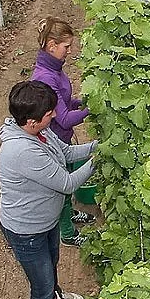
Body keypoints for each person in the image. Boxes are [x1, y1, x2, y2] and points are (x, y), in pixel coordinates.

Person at [0, 80, 97, 299]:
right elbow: (67, 183)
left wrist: (96, 146)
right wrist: (99, 159)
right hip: (26, 230)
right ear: (31, 121)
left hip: (47, 220)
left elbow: (66, 153)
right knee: (40, 286)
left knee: (52, 262)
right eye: (49, 114)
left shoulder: (39, 133)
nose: (54, 116)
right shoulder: (22, 151)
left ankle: (56, 295)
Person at [31, 17, 95, 247]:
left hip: (61, 136)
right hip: (54, 139)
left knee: (66, 190)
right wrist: (91, 108)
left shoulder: (53, 68)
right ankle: (67, 233)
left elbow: (63, 102)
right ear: (51, 45)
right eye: (66, 46)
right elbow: (65, 119)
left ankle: (68, 217)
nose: (70, 51)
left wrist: (79, 101)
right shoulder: (45, 77)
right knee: (61, 189)